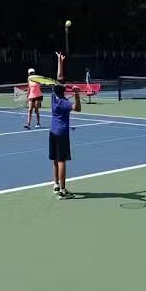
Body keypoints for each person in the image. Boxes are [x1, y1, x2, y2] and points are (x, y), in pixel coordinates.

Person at [50, 52, 81, 200]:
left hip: (52, 133)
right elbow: (78, 108)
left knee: (55, 159)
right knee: (61, 161)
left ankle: (56, 184)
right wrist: (76, 94)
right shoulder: (65, 103)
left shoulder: (53, 97)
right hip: (62, 134)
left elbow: (59, 78)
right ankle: (62, 190)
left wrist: (59, 61)